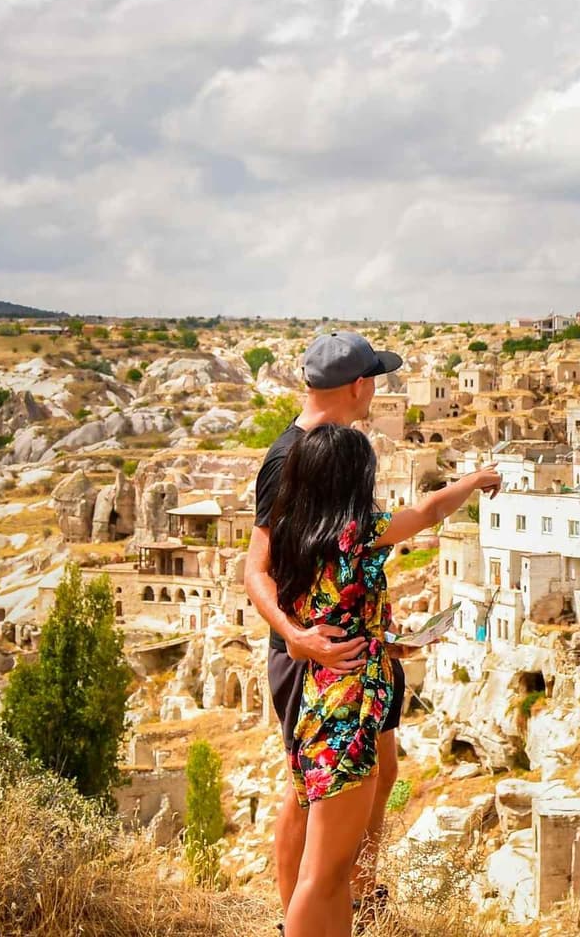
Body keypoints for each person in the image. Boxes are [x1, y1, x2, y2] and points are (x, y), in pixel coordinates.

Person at [269, 424, 499, 937]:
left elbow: (299, 637)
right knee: (325, 874)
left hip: (317, 706)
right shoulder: (354, 533)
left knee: (328, 877)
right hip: (347, 716)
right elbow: (429, 511)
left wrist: (390, 642)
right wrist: (475, 481)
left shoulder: (293, 539)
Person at [243, 331, 402, 920]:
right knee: (309, 792)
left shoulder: (335, 447)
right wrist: (294, 637)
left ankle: (349, 897)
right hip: (311, 651)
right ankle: (304, 909)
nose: (377, 391)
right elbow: (254, 567)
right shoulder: (290, 457)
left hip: (352, 653)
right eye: (375, 380)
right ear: (358, 385)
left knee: (381, 769)